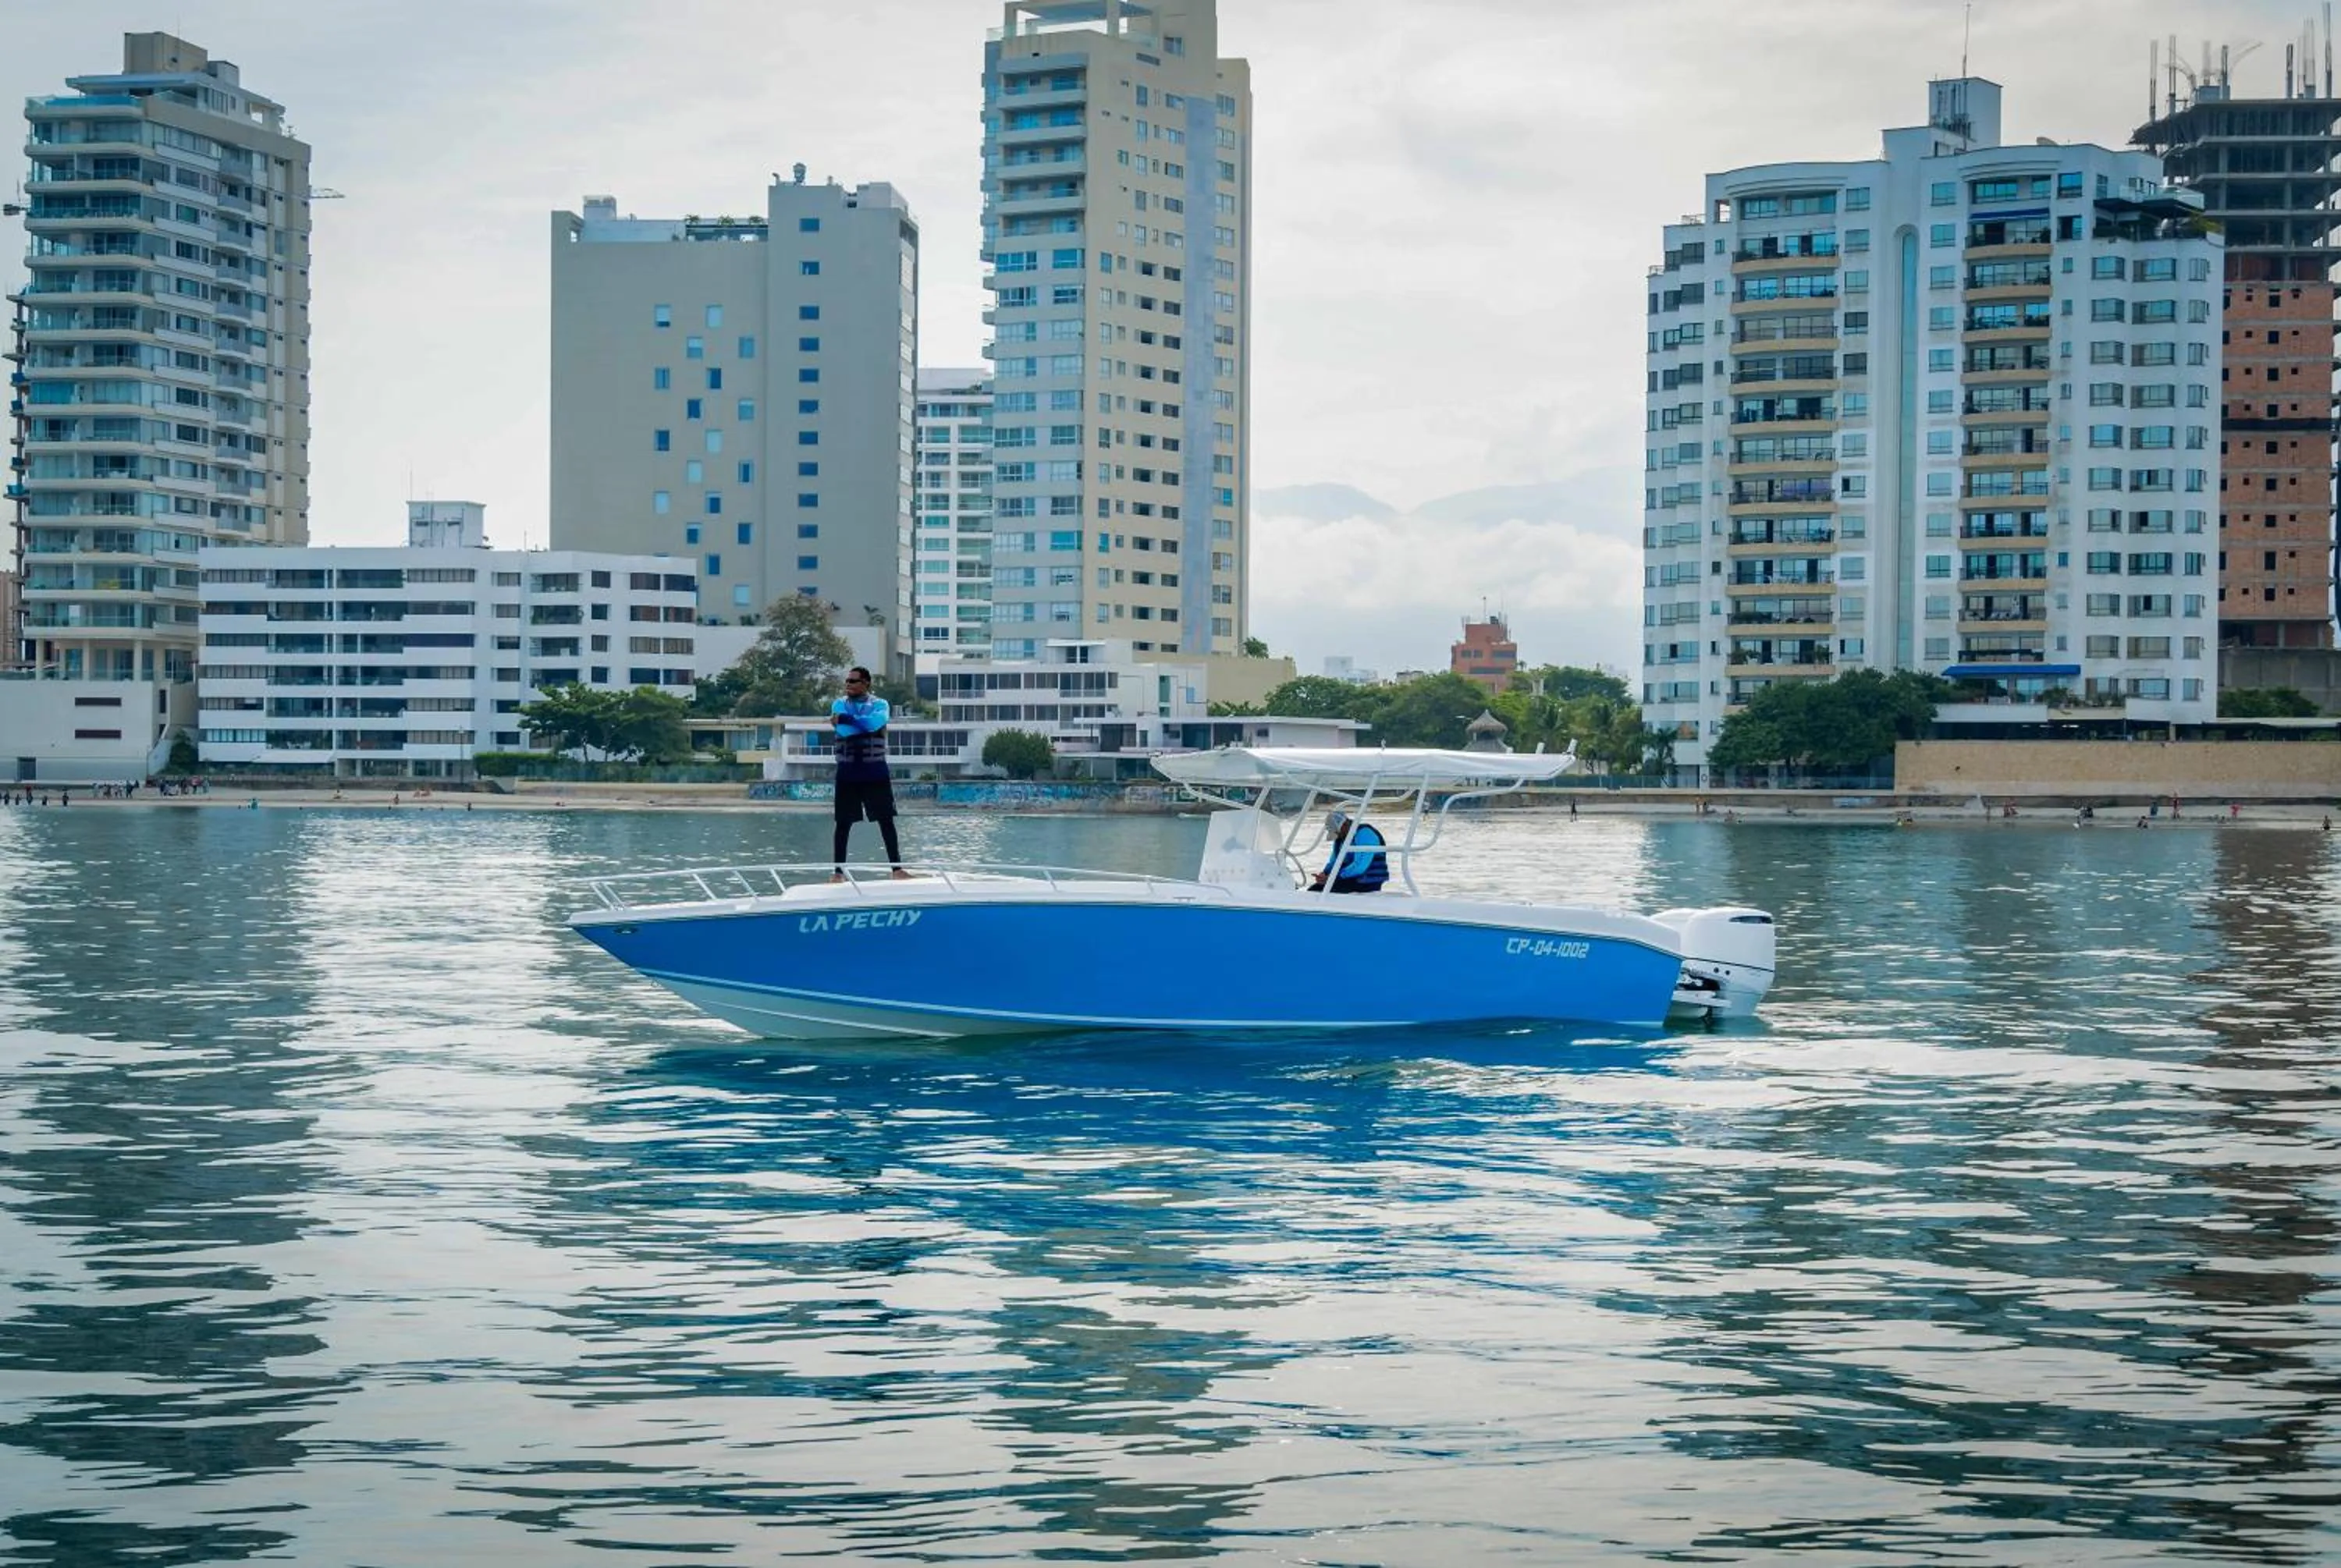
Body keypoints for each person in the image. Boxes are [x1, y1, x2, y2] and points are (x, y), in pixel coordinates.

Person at [830, 665, 909, 882]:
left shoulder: (880, 704)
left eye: (853, 681)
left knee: (886, 821)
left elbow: (875, 723)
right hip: (847, 772)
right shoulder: (838, 704)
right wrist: (858, 724)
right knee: (843, 824)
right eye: (847, 681)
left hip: (875, 772)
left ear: (866, 683)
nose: (848, 684)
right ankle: (838, 873)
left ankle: (897, 870)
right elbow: (845, 731)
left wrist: (848, 720)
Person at [1308, 809, 1388, 894]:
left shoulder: (1365, 834)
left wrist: (1333, 878)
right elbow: (1334, 862)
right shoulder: (1341, 839)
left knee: (1320, 892)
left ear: (1345, 824)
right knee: (1313, 891)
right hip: (1350, 879)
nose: (1338, 836)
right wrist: (1324, 874)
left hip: (1368, 882)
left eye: (1337, 832)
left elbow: (1360, 867)